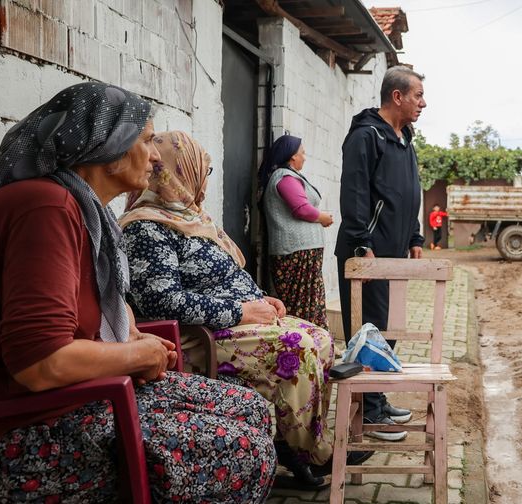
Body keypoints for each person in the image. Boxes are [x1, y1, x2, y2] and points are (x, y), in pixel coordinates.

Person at [0, 84, 275, 502]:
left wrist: (131, 335)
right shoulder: (46, 207)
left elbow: (86, 307)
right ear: (107, 146)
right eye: (146, 140)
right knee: (242, 449)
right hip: (28, 426)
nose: (156, 155)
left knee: (250, 408)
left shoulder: (87, 210)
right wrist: (136, 355)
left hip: (77, 397)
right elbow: (39, 363)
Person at [119, 131, 356, 490]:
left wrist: (262, 298)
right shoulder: (147, 227)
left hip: (231, 321)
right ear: (180, 171)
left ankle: (296, 444)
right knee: (298, 347)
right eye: (204, 170)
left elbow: (226, 275)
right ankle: (312, 453)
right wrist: (240, 311)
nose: (204, 179)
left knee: (321, 337)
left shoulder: (190, 217)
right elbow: (161, 301)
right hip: (200, 336)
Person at [335, 66, 427, 440]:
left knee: (387, 330)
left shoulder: (403, 138)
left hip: (394, 252)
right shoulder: (365, 136)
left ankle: (378, 398)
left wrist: (415, 237)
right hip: (368, 252)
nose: (424, 103)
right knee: (366, 331)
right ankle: (369, 414)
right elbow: (354, 193)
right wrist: (362, 244)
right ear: (397, 96)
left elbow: (410, 192)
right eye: (418, 95)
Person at [258, 134, 333, 329]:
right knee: (302, 305)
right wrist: (322, 217)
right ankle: (303, 343)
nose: (305, 157)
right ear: (292, 156)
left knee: (311, 302)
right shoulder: (285, 177)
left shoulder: (288, 176)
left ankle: (317, 343)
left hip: (303, 253)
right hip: (296, 254)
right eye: (303, 153)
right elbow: (301, 208)